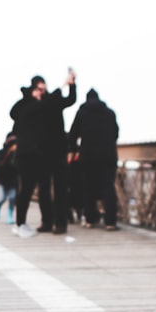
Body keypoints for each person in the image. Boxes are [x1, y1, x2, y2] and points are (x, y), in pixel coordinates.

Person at [9, 70, 77, 237]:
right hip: (41, 152)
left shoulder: (51, 101)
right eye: (39, 89)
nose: (42, 91)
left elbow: (70, 100)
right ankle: (47, 221)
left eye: (43, 88)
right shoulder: (32, 105)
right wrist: (62, 85)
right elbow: (16, 113)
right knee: (44, 189)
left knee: (60, 188)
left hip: (57, 149)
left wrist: (72, 85)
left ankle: (60, 222)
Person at [68, 88, 120, 230]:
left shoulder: (82, 113)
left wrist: (73, 151)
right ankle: (110, 221)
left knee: (89, 188)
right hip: (108, 156)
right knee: (108, 187)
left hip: (88, 156)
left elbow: (73, 135)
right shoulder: (110, 113)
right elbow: (116, 133)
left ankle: (91, 219)